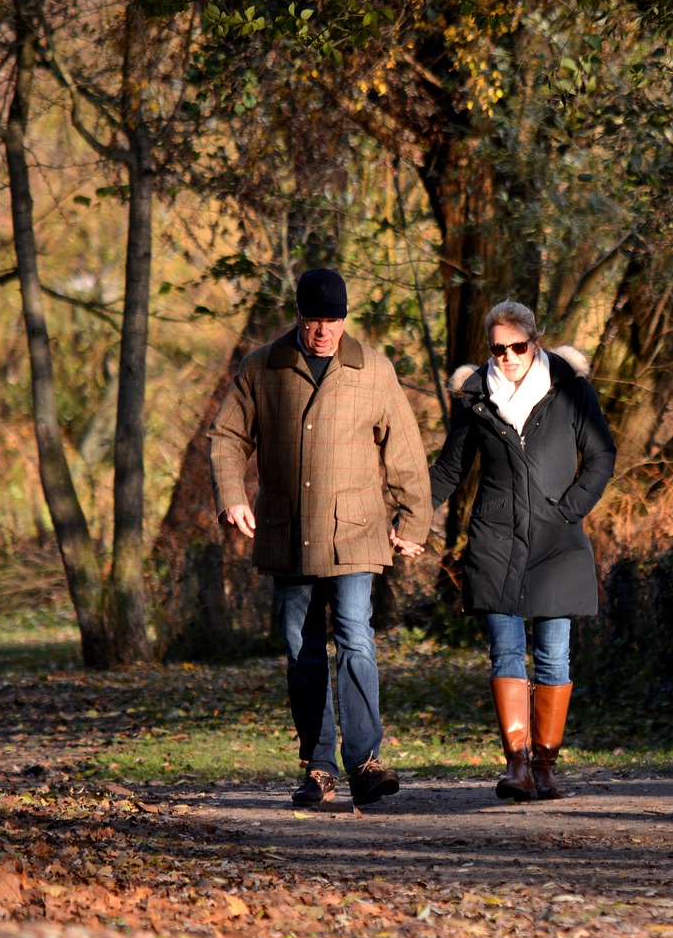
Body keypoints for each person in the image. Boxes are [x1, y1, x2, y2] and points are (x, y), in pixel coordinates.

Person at [209, 268, 430, 808]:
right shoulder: (263, 366)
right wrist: (232, 496)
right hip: (288, 533)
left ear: (345, 318)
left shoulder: (373, 368)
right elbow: (227, 437)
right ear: (298, 316)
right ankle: (319, 767)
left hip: (356, 531)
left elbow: (404, 448)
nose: (324, 331)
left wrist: (413, 520)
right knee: (302, 652)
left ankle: (366, 763)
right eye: (314, 321)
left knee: (356, 637)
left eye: (333, 320)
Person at [429, 300, 616, 800]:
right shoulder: (475, 399)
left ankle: (546, 766)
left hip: (558, 543)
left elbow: (601, 456)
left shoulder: (571, 390)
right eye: (498, 349)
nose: (508, 357)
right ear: (489, 349)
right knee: (506, 652)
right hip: (495, 541)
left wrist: (569, 509)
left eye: (517, 346)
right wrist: (408, 515)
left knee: (554, 657)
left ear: (535, 342)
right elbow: (449, 469)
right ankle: (517, 766)